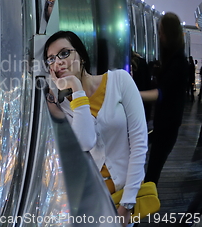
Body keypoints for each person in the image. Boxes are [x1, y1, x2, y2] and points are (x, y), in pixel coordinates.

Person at [44, 31, 148, 226]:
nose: (58, 62)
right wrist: (76, 88)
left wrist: (127, 203)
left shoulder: (120, 81)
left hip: (123, 197)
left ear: (81, 56)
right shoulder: (64, 105)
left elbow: (139, 143)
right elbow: (85, 142)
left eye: (64, 53)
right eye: (51, 59)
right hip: (88, 201)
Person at [140, 12, 188, 185]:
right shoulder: (176, 60)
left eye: (161, 31)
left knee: (153, 170)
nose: (159, 35)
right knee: (152, 168)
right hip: (165, 124)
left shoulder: (178, 63)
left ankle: (143, 205)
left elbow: (160, 93)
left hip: (167, 126)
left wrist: (133, 95)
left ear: (169, 33)